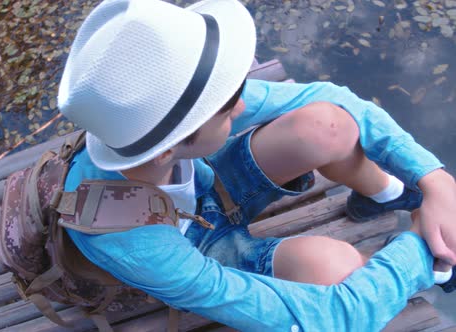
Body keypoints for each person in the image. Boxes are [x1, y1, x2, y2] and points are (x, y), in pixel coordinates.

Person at [56, 0, 456, 330]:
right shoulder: (132, 245)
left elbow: (332, 97)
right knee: (338, 270)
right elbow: (333, 316)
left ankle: (390, 196)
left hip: (206, 183)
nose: (243, 106)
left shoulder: (160, 123)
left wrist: (433, 180)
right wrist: (418, 252)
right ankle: (428, 262)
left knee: (325, 124)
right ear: (165, 151)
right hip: (201, 248)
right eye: (228, 108)